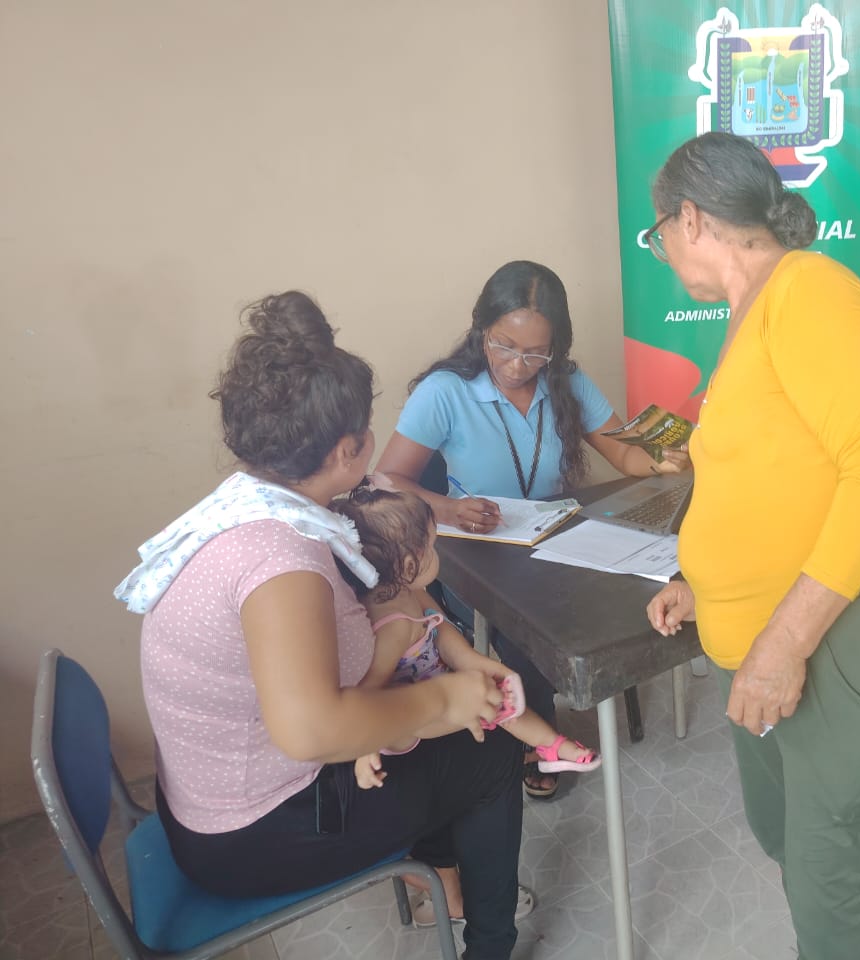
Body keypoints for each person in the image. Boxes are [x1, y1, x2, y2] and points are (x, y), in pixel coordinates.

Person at [115, 292, 526, 960]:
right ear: (347, 450)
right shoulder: (279, 560)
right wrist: (445, 697)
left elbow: (379, 598)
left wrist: (445, 655)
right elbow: (311, 732)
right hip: (249, 836)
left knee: (431, 731)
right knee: (490, 754)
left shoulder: (256, 503)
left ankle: (442, 883)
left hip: (211, 795)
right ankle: (488, 944)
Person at [643, 131, 860, 960]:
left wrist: (782, 643)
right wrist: (705, 585)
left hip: (836, 647)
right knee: (795, 852)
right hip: (772, 653)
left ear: (688, 220)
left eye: (657, 236)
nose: (663, 252)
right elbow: (776, 478)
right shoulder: (750, 314)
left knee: (838, 899)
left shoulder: (809, 289)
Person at [376, 259, 688, 799]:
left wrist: (661, 458)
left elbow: (623, 453)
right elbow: (387, 481)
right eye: (504, 346)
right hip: (477, 551)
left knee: (631, 590)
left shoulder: (567, 382)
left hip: (556, 536)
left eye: (536, 353)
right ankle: (535, 739)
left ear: (555, 349)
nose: (518, 365)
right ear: (481, 330)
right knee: (529, 632)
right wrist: (448, 509)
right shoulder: (446, 391)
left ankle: (581, 692)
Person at [330, 483, 602, 792]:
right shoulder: (393, 626)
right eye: (432, 546)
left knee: (497, 694)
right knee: (494, 703)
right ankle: (546, 748)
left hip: (438, 687)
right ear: (408, 565)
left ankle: (552, 746)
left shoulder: (407, 591)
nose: (436, 553)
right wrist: (366, 749)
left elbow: (443, 633)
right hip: (414, 721)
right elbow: (368, 694)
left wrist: (475, 663)